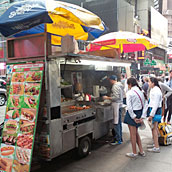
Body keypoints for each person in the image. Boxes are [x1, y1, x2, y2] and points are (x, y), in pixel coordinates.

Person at [124, 77, 147, 158]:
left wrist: (133, 117)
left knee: (133, 134)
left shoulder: (130, 93)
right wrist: (142, 117)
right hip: (139, 113)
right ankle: (141, 150)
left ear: (129, 84)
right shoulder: (141, 91)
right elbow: (145, 105)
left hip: (132, 114)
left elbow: (129, 107)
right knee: (136, 133)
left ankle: (134, 152)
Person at [103, 75, 123, 145]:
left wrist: (107, 97)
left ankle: (118, 140)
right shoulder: (120, 85)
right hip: (120, 105)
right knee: (119, 123)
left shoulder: (115, 86)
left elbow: (116, 97)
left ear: (111, 80)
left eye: (110, 80)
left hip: (116, 106)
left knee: (116, 123)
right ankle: (120, 138)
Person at [146, 77, 162, 153]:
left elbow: (155, 104)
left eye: (149, 82)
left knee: (154, 129)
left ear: (153, 83)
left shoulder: (156, 91)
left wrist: (151, 115)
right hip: (153, 110)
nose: (148, 83)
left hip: (155, 111)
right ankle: (155, 144)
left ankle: (156, 147)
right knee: (153, 128)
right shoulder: (154, 89)